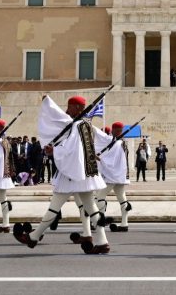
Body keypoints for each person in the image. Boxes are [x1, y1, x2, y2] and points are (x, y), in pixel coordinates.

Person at [13, 95, 110, 254]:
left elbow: (70, 148)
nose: (67, 110)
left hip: (72, 173)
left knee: (55, 206)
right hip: (85, 173)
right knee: (92, 208)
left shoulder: (77, 125)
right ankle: (103, 242)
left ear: (77, 108)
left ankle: (34, 237)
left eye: (70, 106)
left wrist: (54, 150)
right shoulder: (86, 124)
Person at [96, 121, 133, 232]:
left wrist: (100, 159)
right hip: (120, 176)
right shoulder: (122, 142)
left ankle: (99, 222)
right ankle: (124, 224)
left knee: (100, 197)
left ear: (114, 130)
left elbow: (110, 160)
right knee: (122, 199)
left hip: (111, 176)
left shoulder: (117, 143)